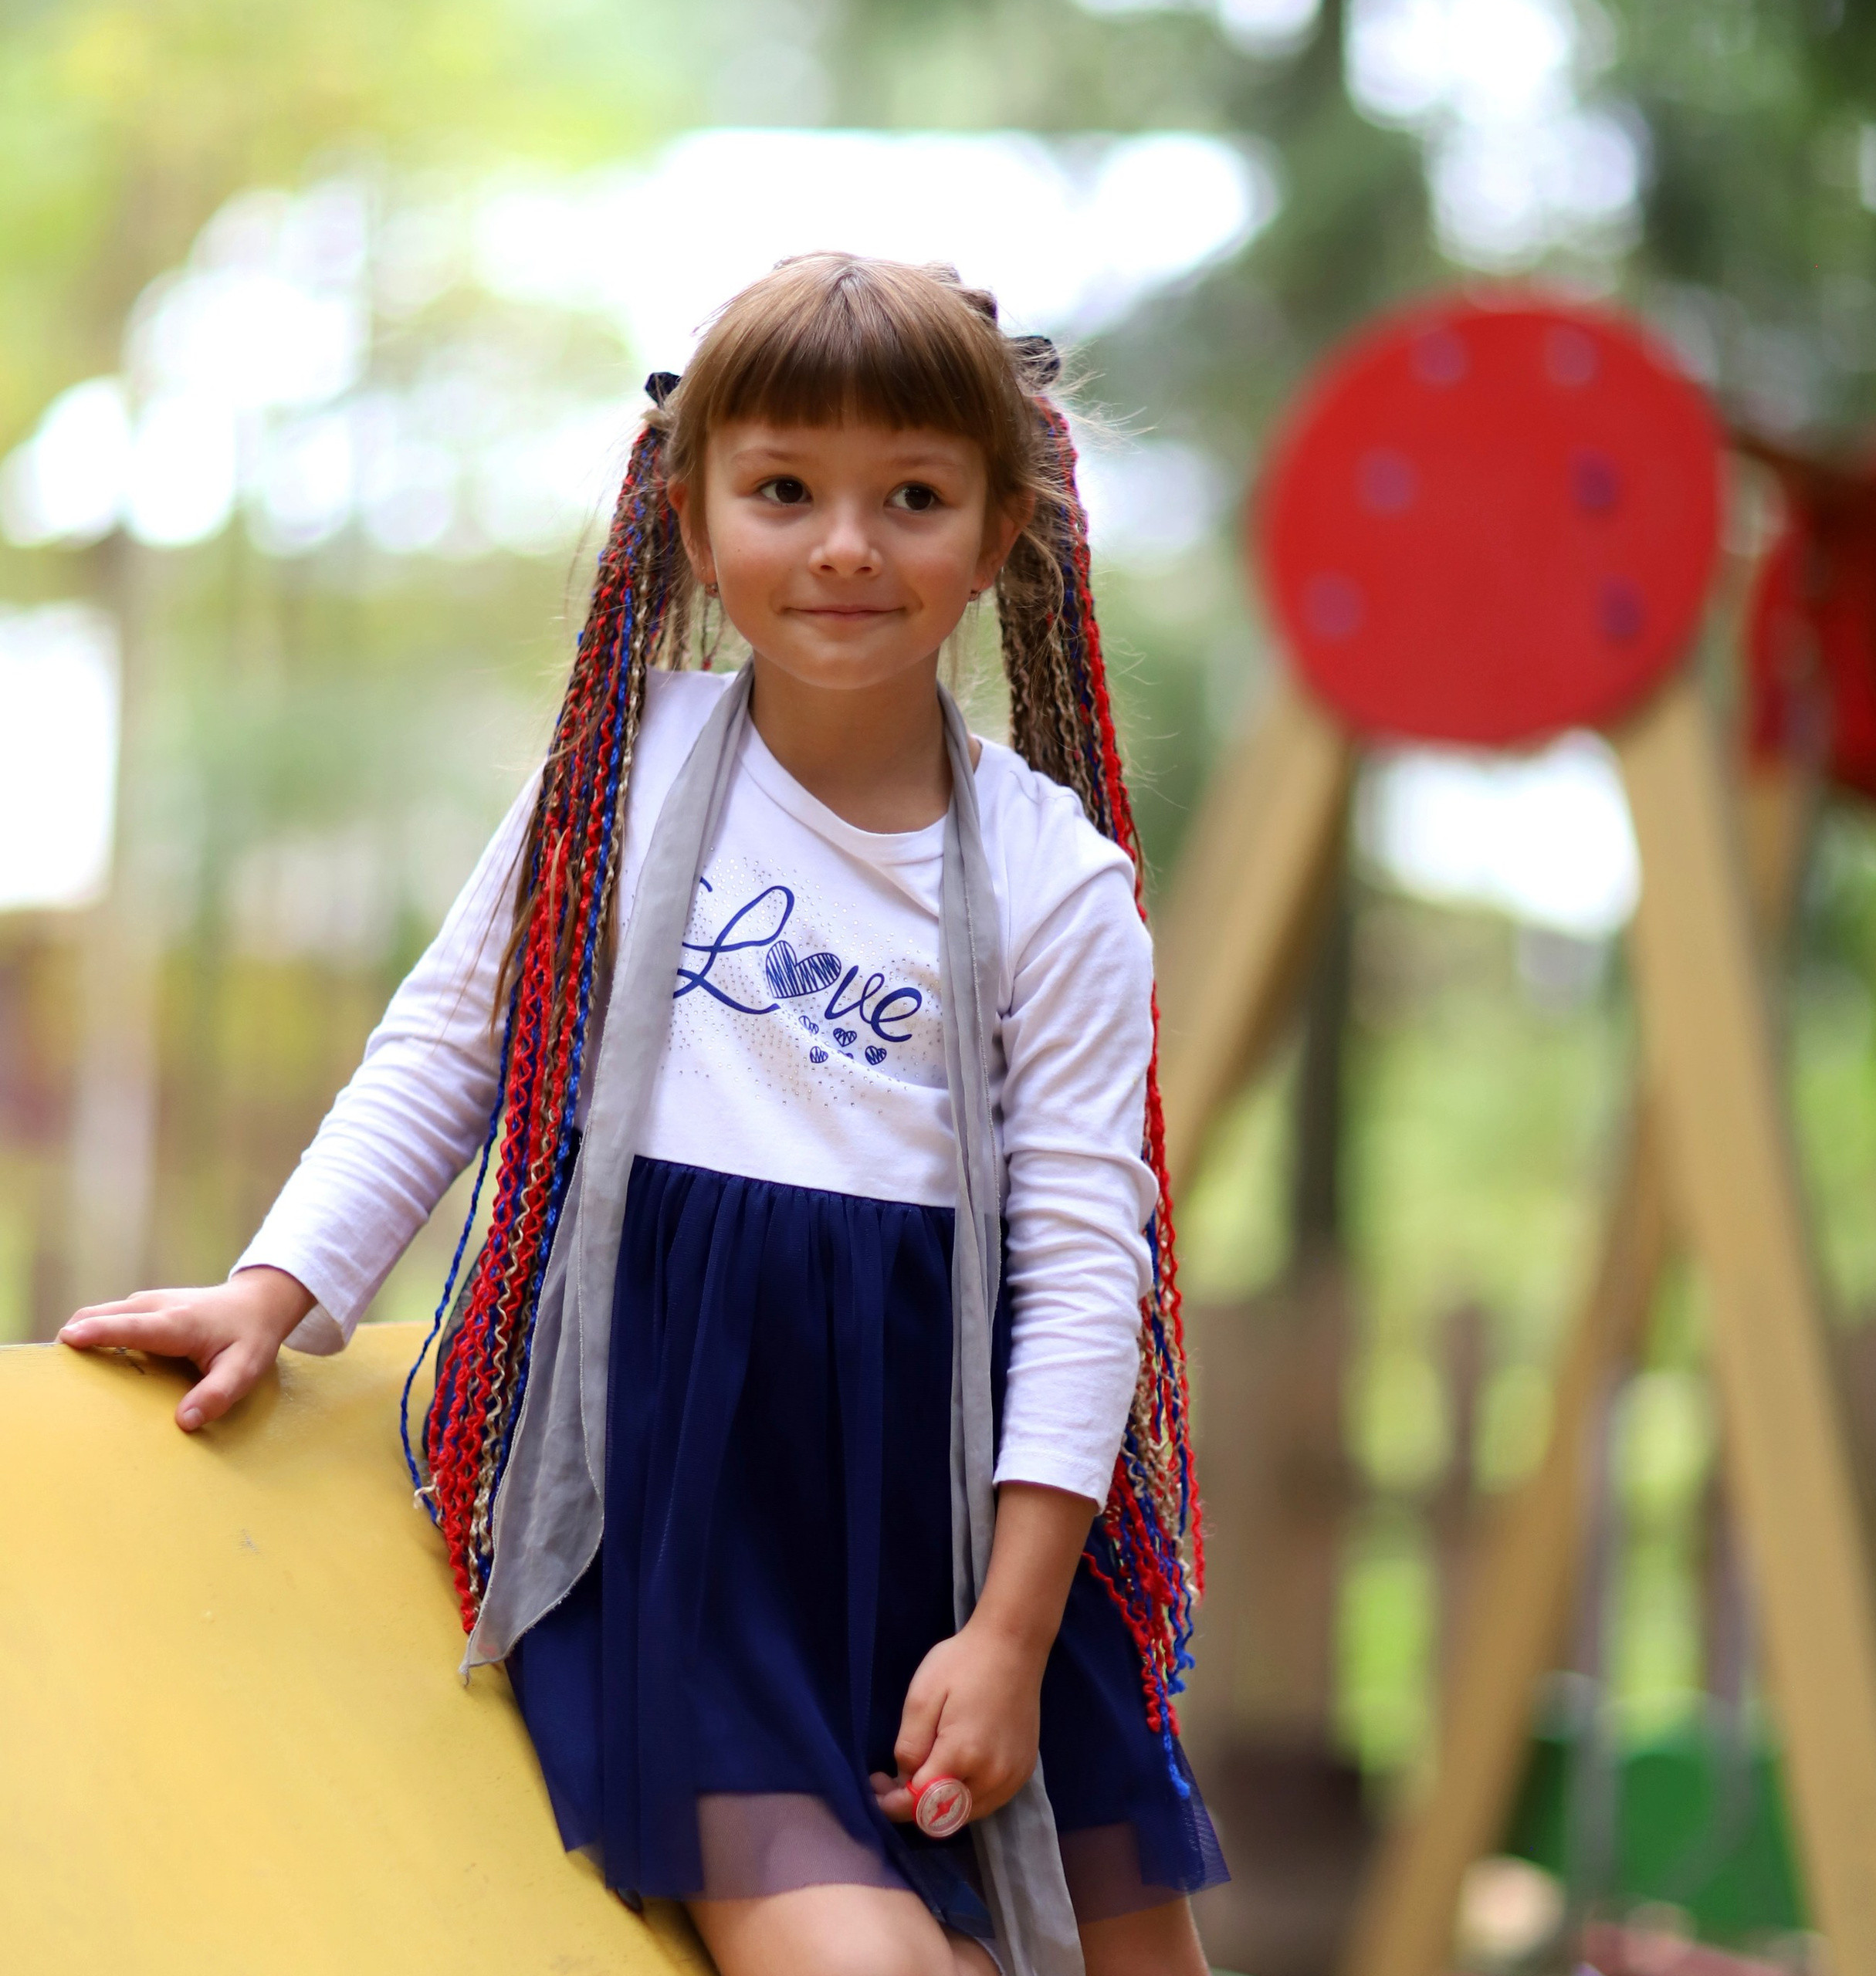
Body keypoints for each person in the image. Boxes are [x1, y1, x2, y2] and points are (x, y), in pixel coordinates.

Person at [61, 253, 1224, 1976]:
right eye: (783, 490)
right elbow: (452, 1040)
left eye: (911, 495)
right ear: (689, 518)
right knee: (871, 1965)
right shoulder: (622, 774)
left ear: (997, 538)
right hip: (670, 1506)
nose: (844, 543)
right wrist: (274, 1286)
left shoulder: (1058, 881)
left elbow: (1079, 1266)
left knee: (1130, 1948)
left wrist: (1007, 1621)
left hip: (962, 1521)